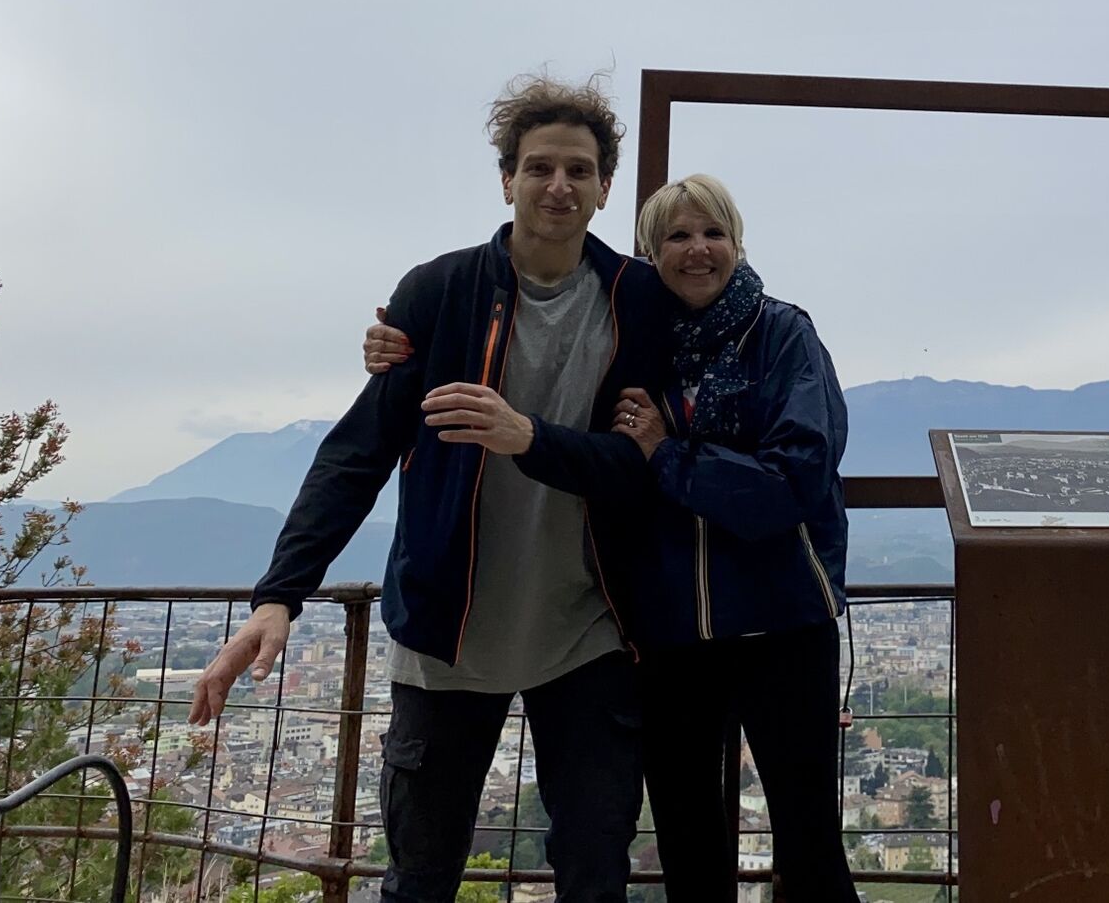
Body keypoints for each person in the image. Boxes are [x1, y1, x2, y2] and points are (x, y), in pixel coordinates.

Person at [190, 74, 673, 903]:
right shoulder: (441, 292)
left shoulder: (639, 301)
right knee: (421, 873)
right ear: (507, 180)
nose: (559, 185)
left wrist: (529, 438)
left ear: (604, 188)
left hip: (590, 629)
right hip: (446, 630)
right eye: (539, 167)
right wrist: (279, 595)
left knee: (595, 870)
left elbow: (637, 465)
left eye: (579, 170)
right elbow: (358, 454)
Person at [370, 172, 859, 902]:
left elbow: (793, 482)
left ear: (738, 243)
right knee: (688, 842)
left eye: (713, 233)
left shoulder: (782, 334)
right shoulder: (639, 337)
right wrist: (405, 341)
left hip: (780, 623)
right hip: (669, 635)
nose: (697, 250)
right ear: (650, 256)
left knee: (809, 840)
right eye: (677, 237)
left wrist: (667, 454)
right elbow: (562, 412)